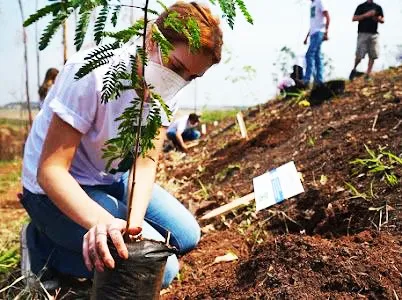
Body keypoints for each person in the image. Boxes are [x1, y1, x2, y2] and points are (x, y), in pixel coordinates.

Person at [19, 1, 222, 289]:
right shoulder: (93, 73)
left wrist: (133, 226)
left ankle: (82, 236)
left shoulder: (167, 89)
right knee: (160, 270)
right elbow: (51, 171)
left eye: (191, 77)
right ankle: (42, 247)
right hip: (53, 189)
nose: (180, 81)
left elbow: (145, 161)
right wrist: (106, 222)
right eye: (176, 67)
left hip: (111, 177)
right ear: (152, 40)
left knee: (187, 236)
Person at [349, 0, 384, 81]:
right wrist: (366, 15)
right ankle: (354, 69)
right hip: (362, 33)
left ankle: (368, 74)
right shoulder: (361, 6)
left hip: (374, 34)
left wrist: (377, 18)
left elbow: (382, 20)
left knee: (373, 54)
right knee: (359, 55)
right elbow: (354, 18)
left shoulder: (378, 7)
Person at [303, 0, 330, 86]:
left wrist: (326, 32)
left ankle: (306, 79)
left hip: (319, 32)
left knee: (309, 54)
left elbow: (327, 17)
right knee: (317, 57)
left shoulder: (320, 2)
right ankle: (319, 80)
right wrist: (307, 37)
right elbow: (313, 24)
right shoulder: (312, 4)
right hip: (313, 34)